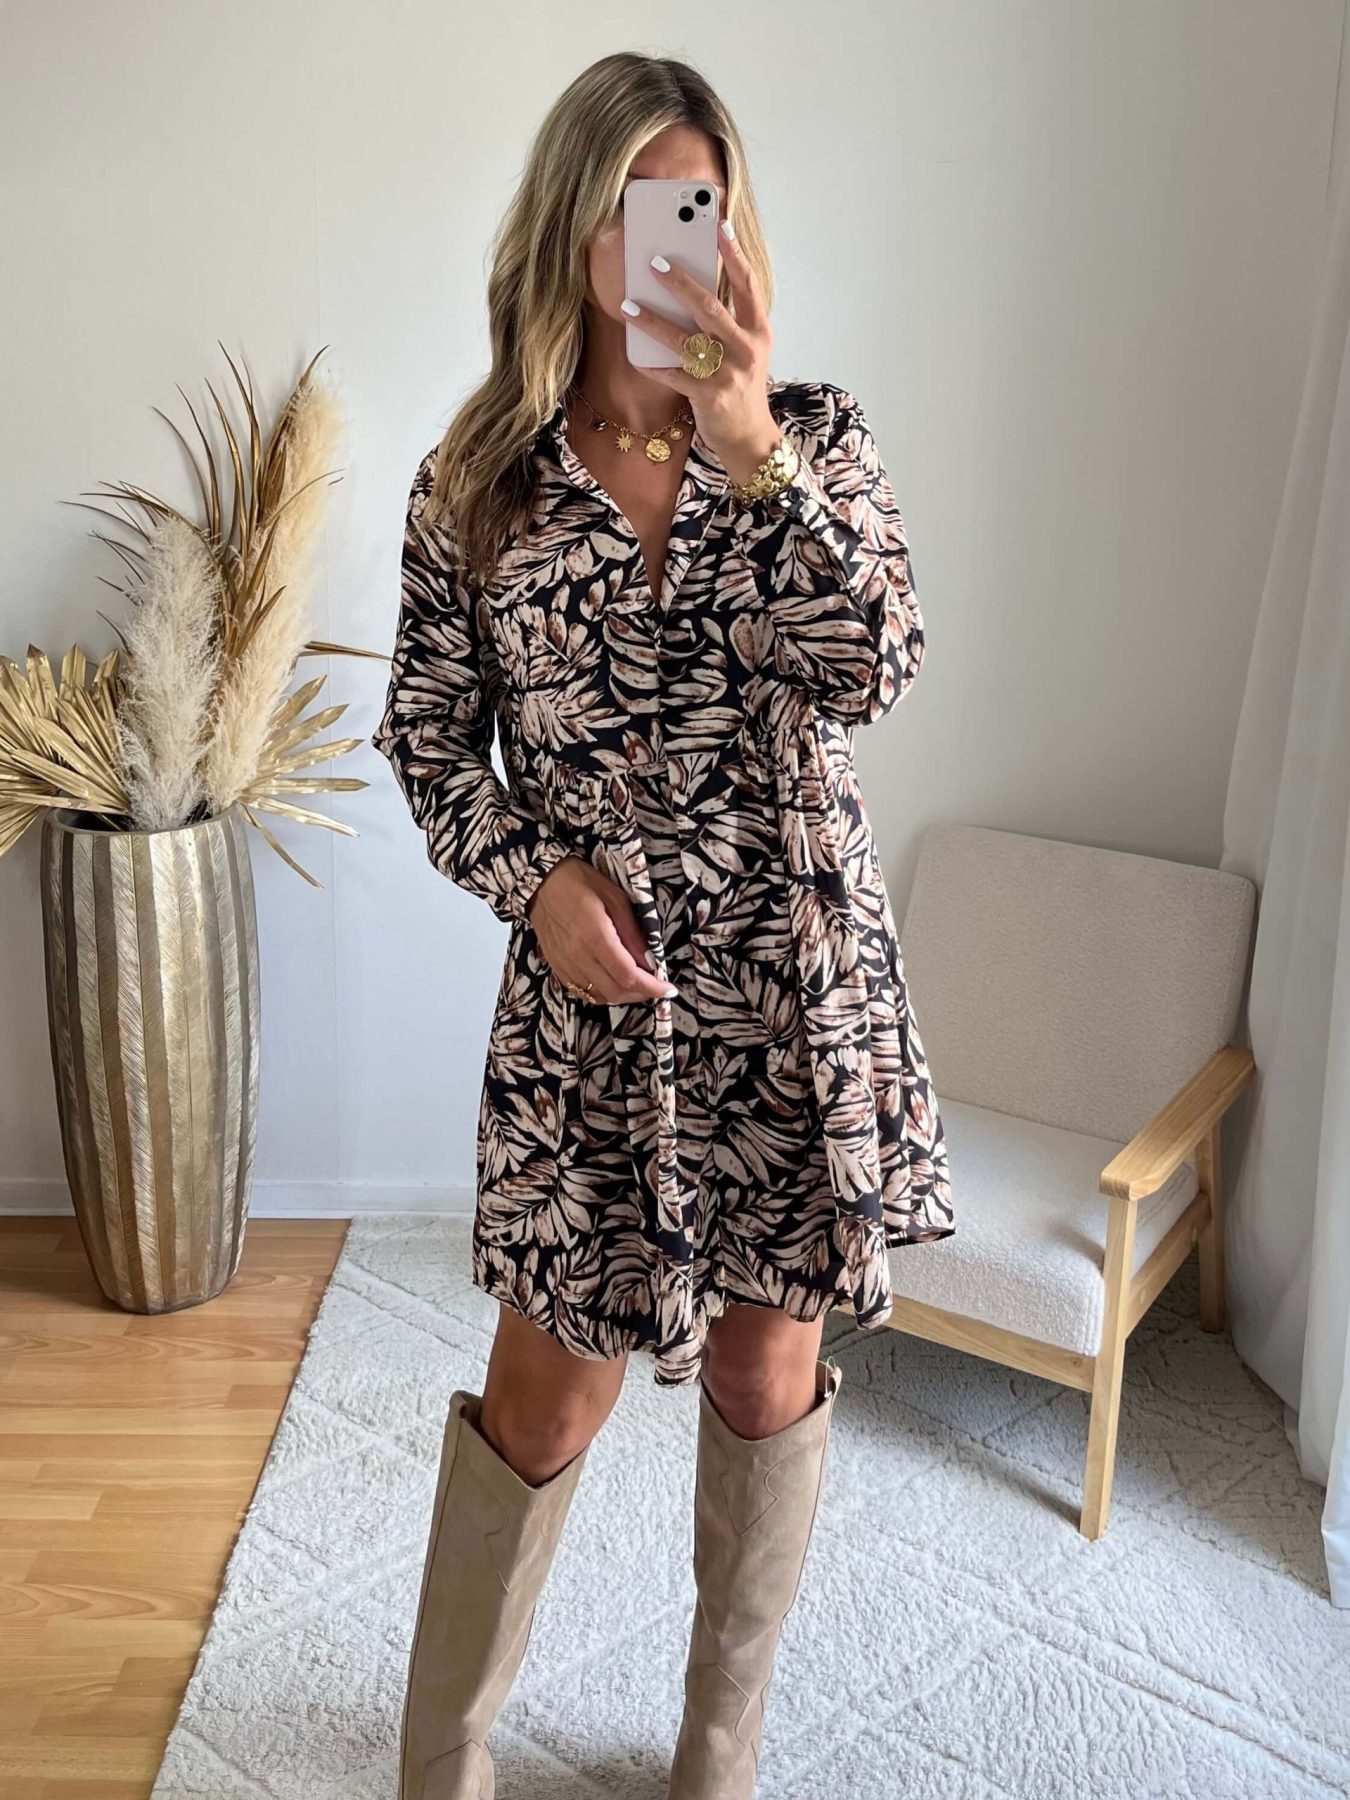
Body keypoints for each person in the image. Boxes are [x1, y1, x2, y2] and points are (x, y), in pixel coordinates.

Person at [372, 48, 955, 1800]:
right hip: (589, 1011)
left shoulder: (812, 441)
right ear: (572, 228)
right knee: (543, 1400)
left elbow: (875, 665)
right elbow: (425, 743)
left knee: (766, 1377)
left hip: (787, 989)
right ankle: (440, 1758)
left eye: (697, 205)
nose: (667, 242)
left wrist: (752, 446)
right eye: (635, 206)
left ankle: (716, 1756)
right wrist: (536, 885)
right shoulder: (474, 482)